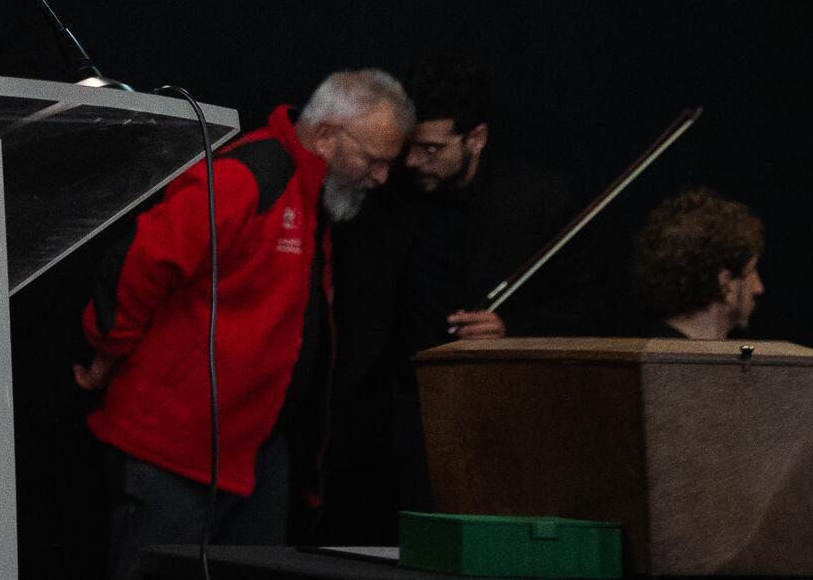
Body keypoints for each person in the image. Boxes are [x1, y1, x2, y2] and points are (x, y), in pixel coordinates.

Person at [75, 69, 413, 576]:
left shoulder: (311, 192)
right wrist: (108, 349)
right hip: (175, 448)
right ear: (326, 135)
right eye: (374, 160)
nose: (381, 178)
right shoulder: (249, 177)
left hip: (253, 453)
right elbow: (138, 261)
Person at [323, 55, 605, 540]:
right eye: (410, 147)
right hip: (381, 416)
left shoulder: (537, 200)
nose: (412, 162)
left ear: (476, 138)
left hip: (483, 417)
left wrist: (512, 329)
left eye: (431, 149)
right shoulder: (388, 190)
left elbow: (594, 305)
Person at [631, 187, 765, 339]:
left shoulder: (655, 346)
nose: (759, 288)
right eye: (752, 271)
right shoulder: (670, 353)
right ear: (725, 282)